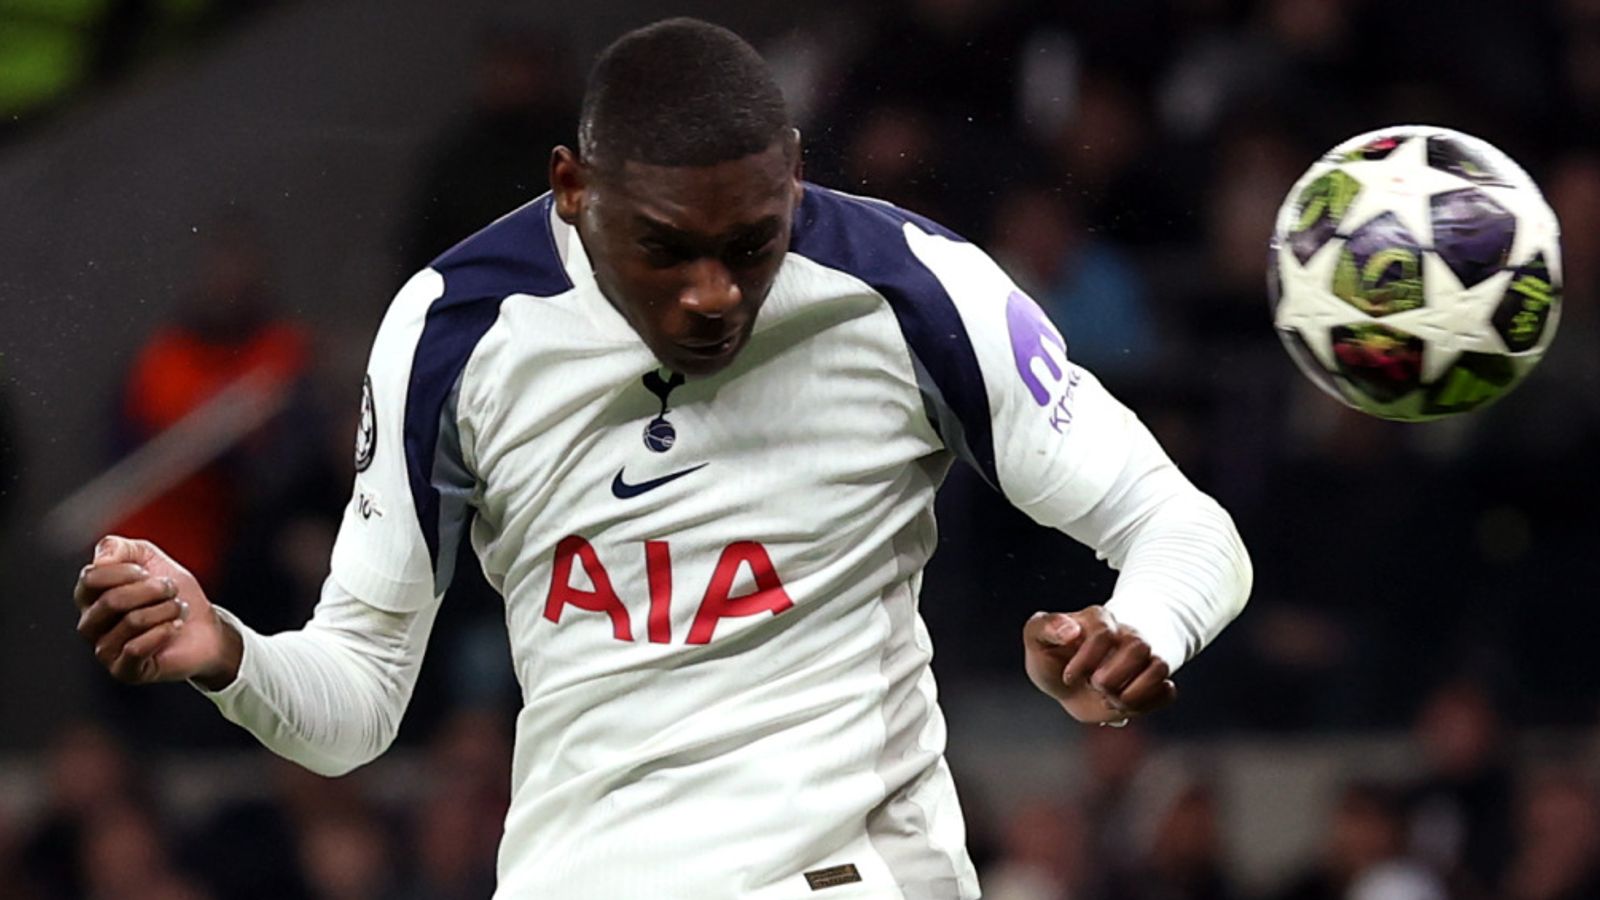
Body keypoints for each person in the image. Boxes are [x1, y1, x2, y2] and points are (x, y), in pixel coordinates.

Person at [71, 18, 1251, 899]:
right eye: (667, 250)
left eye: (751, 245)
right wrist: (228, 652)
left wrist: (1138, 626)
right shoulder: (453, 329)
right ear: (572, 188)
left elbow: (1185, 529)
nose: (714, 293)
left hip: (840, 876)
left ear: (793, 172)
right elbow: (358, 704)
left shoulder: (912, 288)